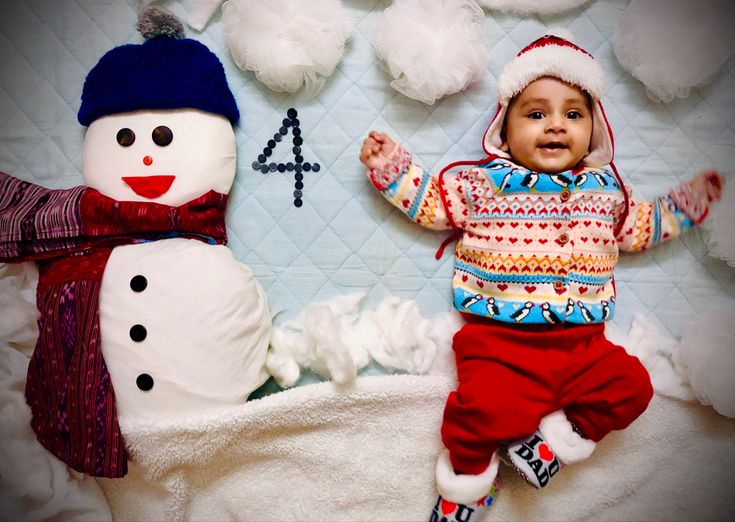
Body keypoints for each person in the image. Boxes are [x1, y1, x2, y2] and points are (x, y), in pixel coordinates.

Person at [359, 32, 724, 522]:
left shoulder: (607, 192)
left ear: (593, 129)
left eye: (573, 114)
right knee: (481, 412)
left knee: (633, 386)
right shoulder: (483, 183)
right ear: (504, 131)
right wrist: (392, 168)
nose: (555, 125)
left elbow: (642, 227)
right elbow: (434, 205)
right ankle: (464, 489)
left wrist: (688, 203)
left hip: (582, 347)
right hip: (499, 343)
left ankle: (553, 443)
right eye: (536, 114)